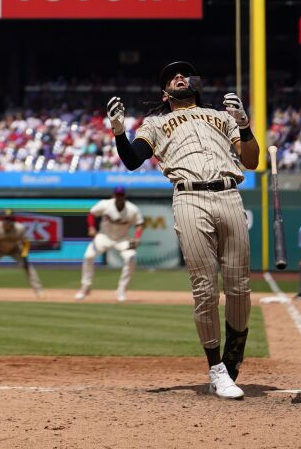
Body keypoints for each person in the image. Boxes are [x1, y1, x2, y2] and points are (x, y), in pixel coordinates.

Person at [107, 60, 259, 400]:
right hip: (189, 197)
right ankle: (217, 370)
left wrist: (245, 126)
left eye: (184, 74)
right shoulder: (157, 122)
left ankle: (232, 359)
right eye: (171, 77)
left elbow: (251, 161)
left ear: (195, 85)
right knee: (204, 289)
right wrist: (119, 132)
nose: (179, 76)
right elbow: (133, 160)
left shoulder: (221, 116)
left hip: (230, 194)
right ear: (165, 92)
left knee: (239, 287)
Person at [75, 187, 146, 303]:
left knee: (131, 258)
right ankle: (85, 287)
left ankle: (121, 289)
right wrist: (92, 227)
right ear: (113, 195)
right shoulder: (105, 204)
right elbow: (91, 214)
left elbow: (139, 224)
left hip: (123, 238)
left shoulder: (132, 209)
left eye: (121, 195)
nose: (119, 197)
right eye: (117, 195)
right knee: (88, 256)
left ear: (124, 196)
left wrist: (137, 237)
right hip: (104, 236)